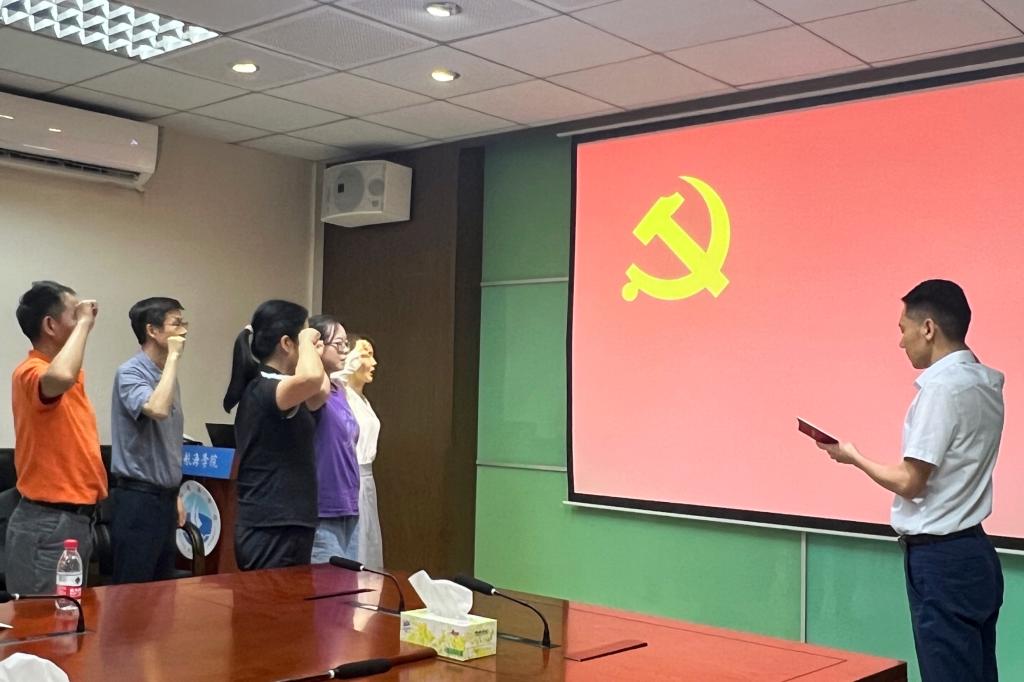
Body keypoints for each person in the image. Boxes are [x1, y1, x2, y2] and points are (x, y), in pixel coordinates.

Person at [817, 279, 1004, 682]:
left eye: (904, 329)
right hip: (976, 554)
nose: (901, 342)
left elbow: (910, 481)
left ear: (929, 328)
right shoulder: (986, 382)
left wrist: (853, 456)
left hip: (941, 561)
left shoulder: (942, 389)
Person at [6, 281, 107, 593]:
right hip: (47, 523)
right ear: (50, 325)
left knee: (67, 617)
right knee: (44, 620)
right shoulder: (31, 371)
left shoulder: (69, 378)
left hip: (75, 521)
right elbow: (60, 376)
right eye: (74, 314)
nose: (83, 319)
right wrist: (85, 324)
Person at [223, 300, 326, 570]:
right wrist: (307, 341)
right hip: (269, 526)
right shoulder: (266, 386)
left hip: (289, 522)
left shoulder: (283, 387)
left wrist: (309, 348)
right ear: (286, 343)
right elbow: (312, 379)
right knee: (270, 598)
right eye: (301, 337)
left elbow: (320, 393)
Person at [109, 297, 188, 584]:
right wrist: (174, 358)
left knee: (162, 592)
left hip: (164, 499)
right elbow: (157, 409)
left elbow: (166, 443)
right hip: (138, 500)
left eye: (184, 323)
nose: (184, 331)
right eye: (176, 324)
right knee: (133, 592)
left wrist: (174, 493)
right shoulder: (130, 372)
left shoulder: (167, 376)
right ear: (152, 330)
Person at [307, 315, 361, 564]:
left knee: (349, 583)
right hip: (323, 509)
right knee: (328, 584)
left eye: (345, 344)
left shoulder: (340, 390)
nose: (344, 350)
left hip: (348, 505)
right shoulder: (312, 390)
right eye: (338, 344)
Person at [342, 335, 382, 568]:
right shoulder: (340, 394)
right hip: (349, 475)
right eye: (366, 355)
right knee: (353, 547)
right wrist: (346, 368)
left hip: (366, 478)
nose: (373, 362)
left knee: (369, 544)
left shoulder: (362, 399)